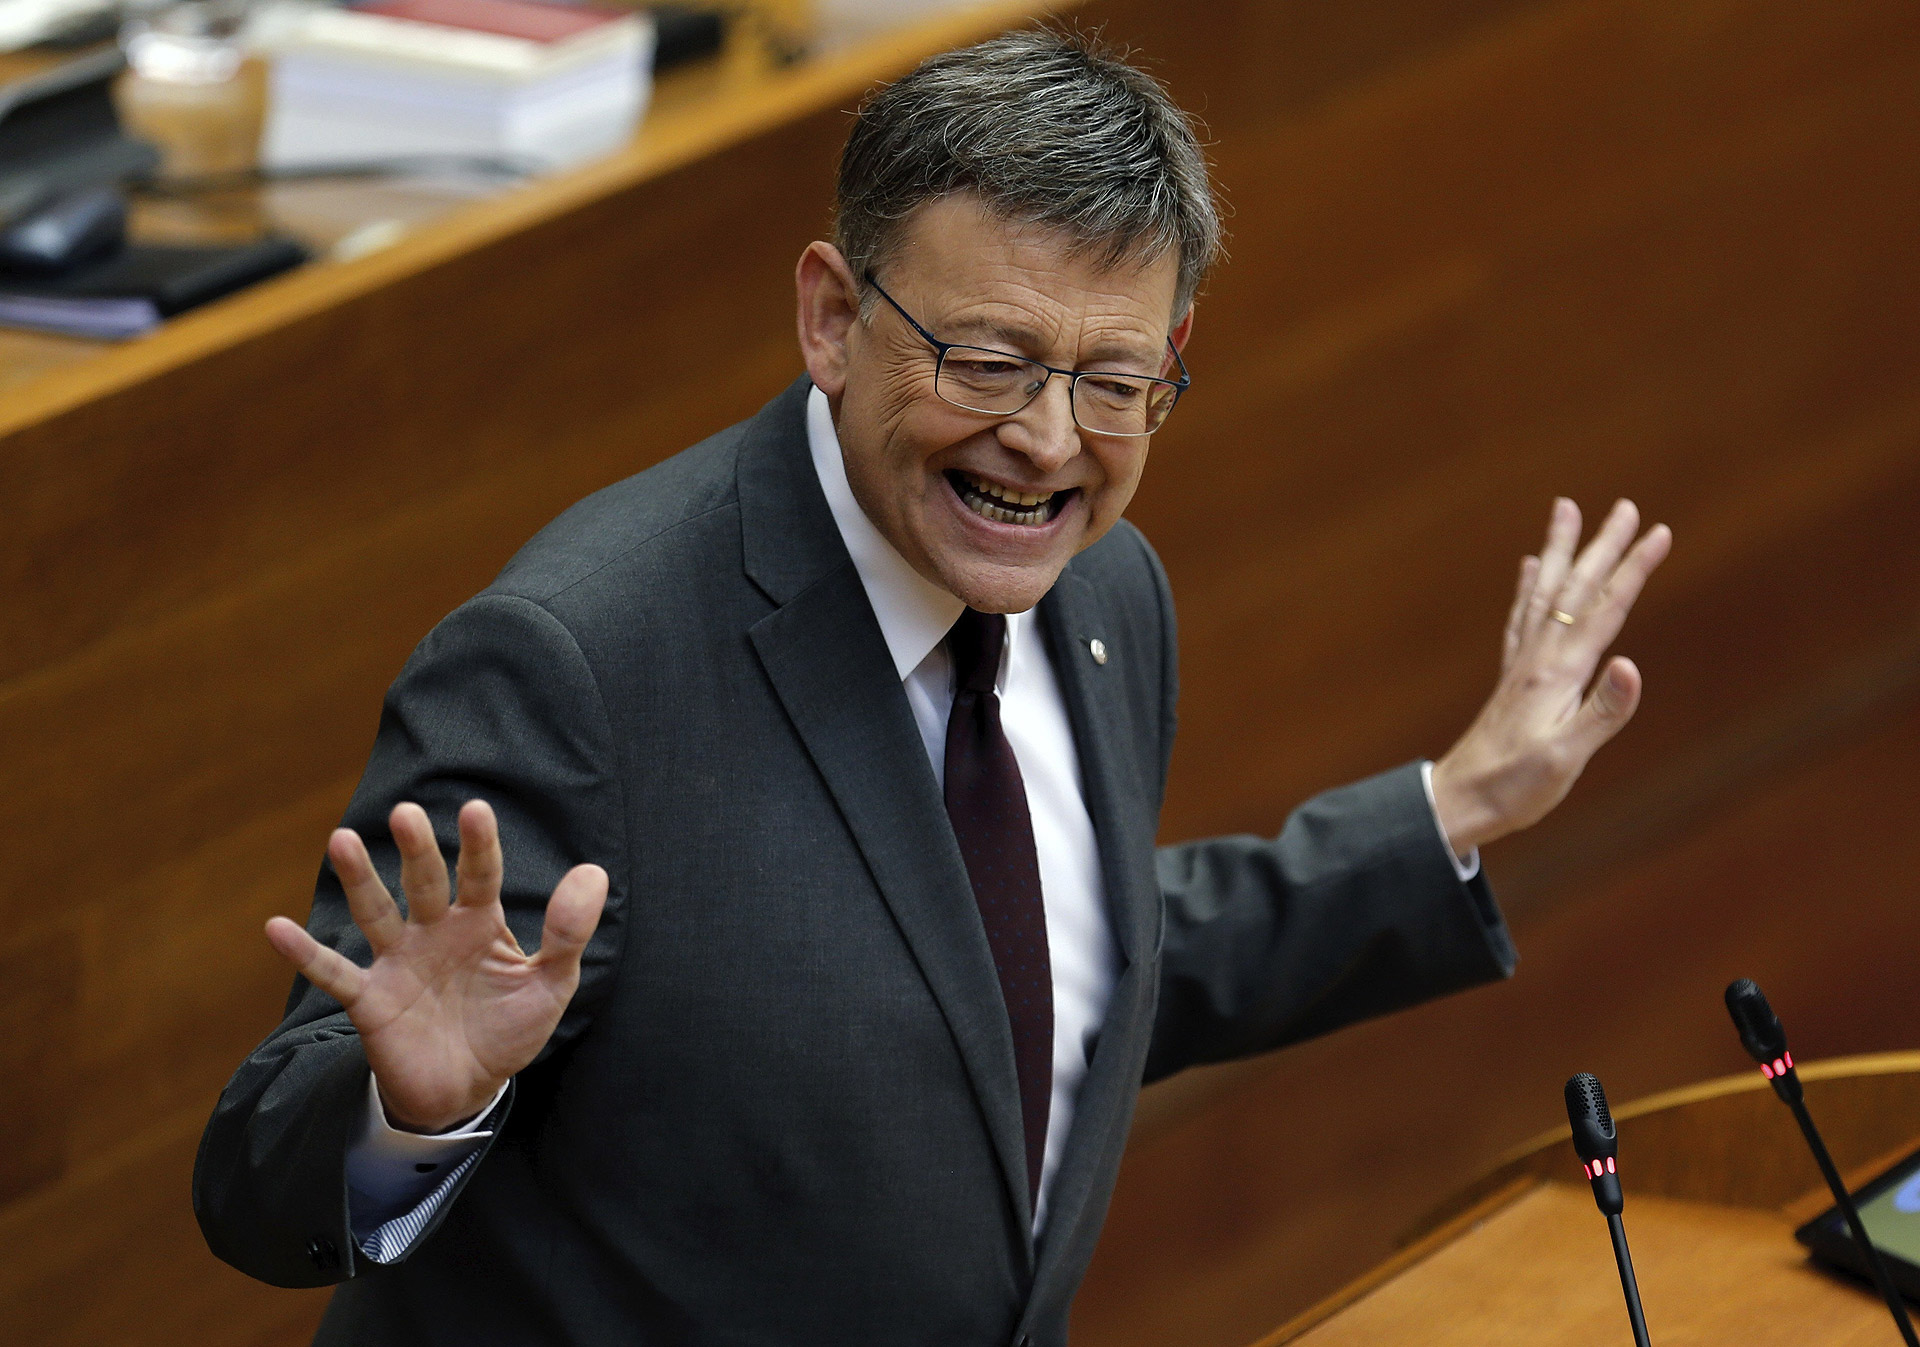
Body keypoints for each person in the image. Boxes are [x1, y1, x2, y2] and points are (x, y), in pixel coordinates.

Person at [194, 28, 1670, 1347]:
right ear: (833, 318)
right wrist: (417, 1109)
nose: (1048, 442)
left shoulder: (1109, 591)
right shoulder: (575, 664)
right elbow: (258, 1185)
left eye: (1115, 382)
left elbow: (1044, 983)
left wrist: (1456, 806)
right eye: (989, 361)